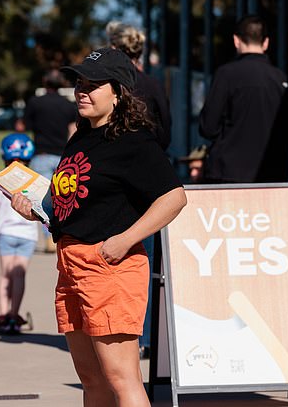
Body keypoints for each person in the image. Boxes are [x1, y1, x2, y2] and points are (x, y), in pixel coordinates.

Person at [11, 47, 187, 407]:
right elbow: (75, 199)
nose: (82, 91)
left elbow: (174, 197)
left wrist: (125, 240)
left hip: (109, 267)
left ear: (118, 91)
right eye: (79, 82)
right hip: (71, 263)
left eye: (94, 84)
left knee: (121, 378)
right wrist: (38, 212)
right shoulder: (81, 135)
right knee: (91, 380)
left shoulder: (134, 140)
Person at [106, 21, 173, 359]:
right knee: (143, 260)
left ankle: (118, 330)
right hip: (148, 183)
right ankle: (143, 335)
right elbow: (166, 133)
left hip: (116, 183)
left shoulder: (115, 86)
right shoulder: (153, 84)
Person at [199, 14, 288, 183]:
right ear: (266, 43)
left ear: (236, 41)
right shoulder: (282, 79)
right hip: (273, 176)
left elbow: (208, 128)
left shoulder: (226, 75)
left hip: (228, 174)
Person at [20, 69, 78, 253]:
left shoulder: (35, 103)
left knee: (42, 201)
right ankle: (64, 234)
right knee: (64, 198)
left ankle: (48, 238)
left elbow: (23, 126)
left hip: (41, 154)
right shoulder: (68, 105)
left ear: (45, 82)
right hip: (63, 156)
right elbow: (73, 130)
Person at [0, 133, 38, 334]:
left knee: (6, 275)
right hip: (27, 234)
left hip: (6, 232)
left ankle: (3, 314)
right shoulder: (34, 181)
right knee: (19, 275)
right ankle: (15, 316)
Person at [107, 22, 172, 150]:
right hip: (146, 155)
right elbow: (164, 130)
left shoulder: (106, 82)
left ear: (113, 48)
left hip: (113, 155)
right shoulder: (154, 84)